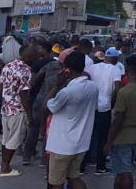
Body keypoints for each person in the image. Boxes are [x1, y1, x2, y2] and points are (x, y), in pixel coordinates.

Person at [44, 51, 99, 189]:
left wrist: (56, 85)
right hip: (81, 143)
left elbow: (47, 106)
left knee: (56, 182)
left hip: (62, 145)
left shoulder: (67, 92)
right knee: (74, 176)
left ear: (68, 69)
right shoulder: (93, 87)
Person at [104, 55, 136, 189]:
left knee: (125, 171)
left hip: (123, 135)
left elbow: (118, 119)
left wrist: (108, 141)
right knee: (120, 170)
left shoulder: (124, 92)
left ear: (127, 68)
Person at [0, 46, 38, 176]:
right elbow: (24, 95)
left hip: (6, 108)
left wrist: (3, 103)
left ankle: (3, 164)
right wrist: (29, 115)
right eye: (35, 57)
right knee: (14, 140)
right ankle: (5, 168)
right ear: (29, 57)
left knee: (6, 138)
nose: (36, 59)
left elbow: (1, 86)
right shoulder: (26, 71)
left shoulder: (8, 66)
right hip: (17, 109)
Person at [84, 47, 122, 175]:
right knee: (102, 137)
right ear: (115, 59)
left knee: (88, 134)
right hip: (105, 107)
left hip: (91, 104)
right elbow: (117, 88)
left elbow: (86, 80)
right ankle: (100, 166)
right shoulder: (115, 70)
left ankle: (82, 166)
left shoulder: (93, 67)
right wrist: (112, 104)